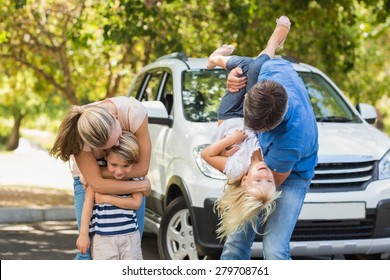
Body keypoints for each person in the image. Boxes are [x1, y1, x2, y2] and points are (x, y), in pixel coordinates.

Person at [219, 17, 319, 260]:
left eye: (260, 130)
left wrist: (237, 167)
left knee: (274, 250)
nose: (255, 133)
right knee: (235, 241)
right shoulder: (270, 71)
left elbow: (265, 179)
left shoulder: (291, 138)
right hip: (258, 166)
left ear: (273, 126)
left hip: (291, 175)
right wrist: (231, 78)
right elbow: (264, 53)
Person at [200, 17, 291, 240]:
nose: (264, 176)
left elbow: (206, 154)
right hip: (252, 116)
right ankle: (270, 46)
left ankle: (216, 58)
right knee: (254, 68)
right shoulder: (270, 160)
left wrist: (231, 140)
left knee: (243, 70)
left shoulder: (236, 168)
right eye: (269, 181)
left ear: (244, 181)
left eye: (258, 181)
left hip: (230, 116)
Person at [49, 96, 151, 260]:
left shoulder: (134, 113)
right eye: (107, 148)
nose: (117, 145)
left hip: (125, 178)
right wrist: (141, 186)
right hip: (89, 185)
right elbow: (96, 185)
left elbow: (141, 168)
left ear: (114, 118)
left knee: (133, 246)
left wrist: (94, 172)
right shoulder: (80, 134)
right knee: (86, 252)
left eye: (117, 138)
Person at [76, 131, 143, 260]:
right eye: (114, 165)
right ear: (106, 157)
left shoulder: (133, 178)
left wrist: (106, 198)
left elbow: (136, 203)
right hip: (103, 238)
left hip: (130, 237)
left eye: (126, 166)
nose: (119, 171)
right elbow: (88, 204)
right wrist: (83, 234)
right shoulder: (97, 176)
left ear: (133, 162)